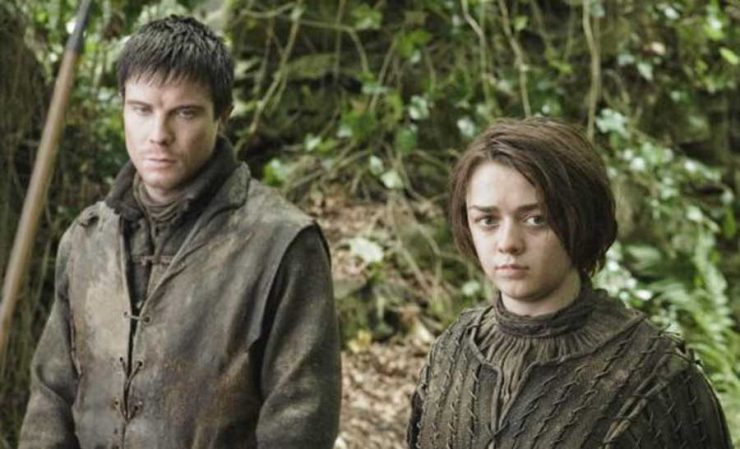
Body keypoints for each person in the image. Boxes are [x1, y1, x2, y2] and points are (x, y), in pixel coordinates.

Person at [19, 15, 340, 448]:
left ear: (222, 116)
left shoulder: (282, 244)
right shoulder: (86, 239)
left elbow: (300, 424)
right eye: (142, 110)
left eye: (184, 113)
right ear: (123, 108)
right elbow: (51, 396)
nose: (159, 135)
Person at [407, 118, 733, 449]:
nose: (508, 243)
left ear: (582, 217)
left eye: (536, 219)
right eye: (488, 220)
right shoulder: (452, 352)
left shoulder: (656, 377)